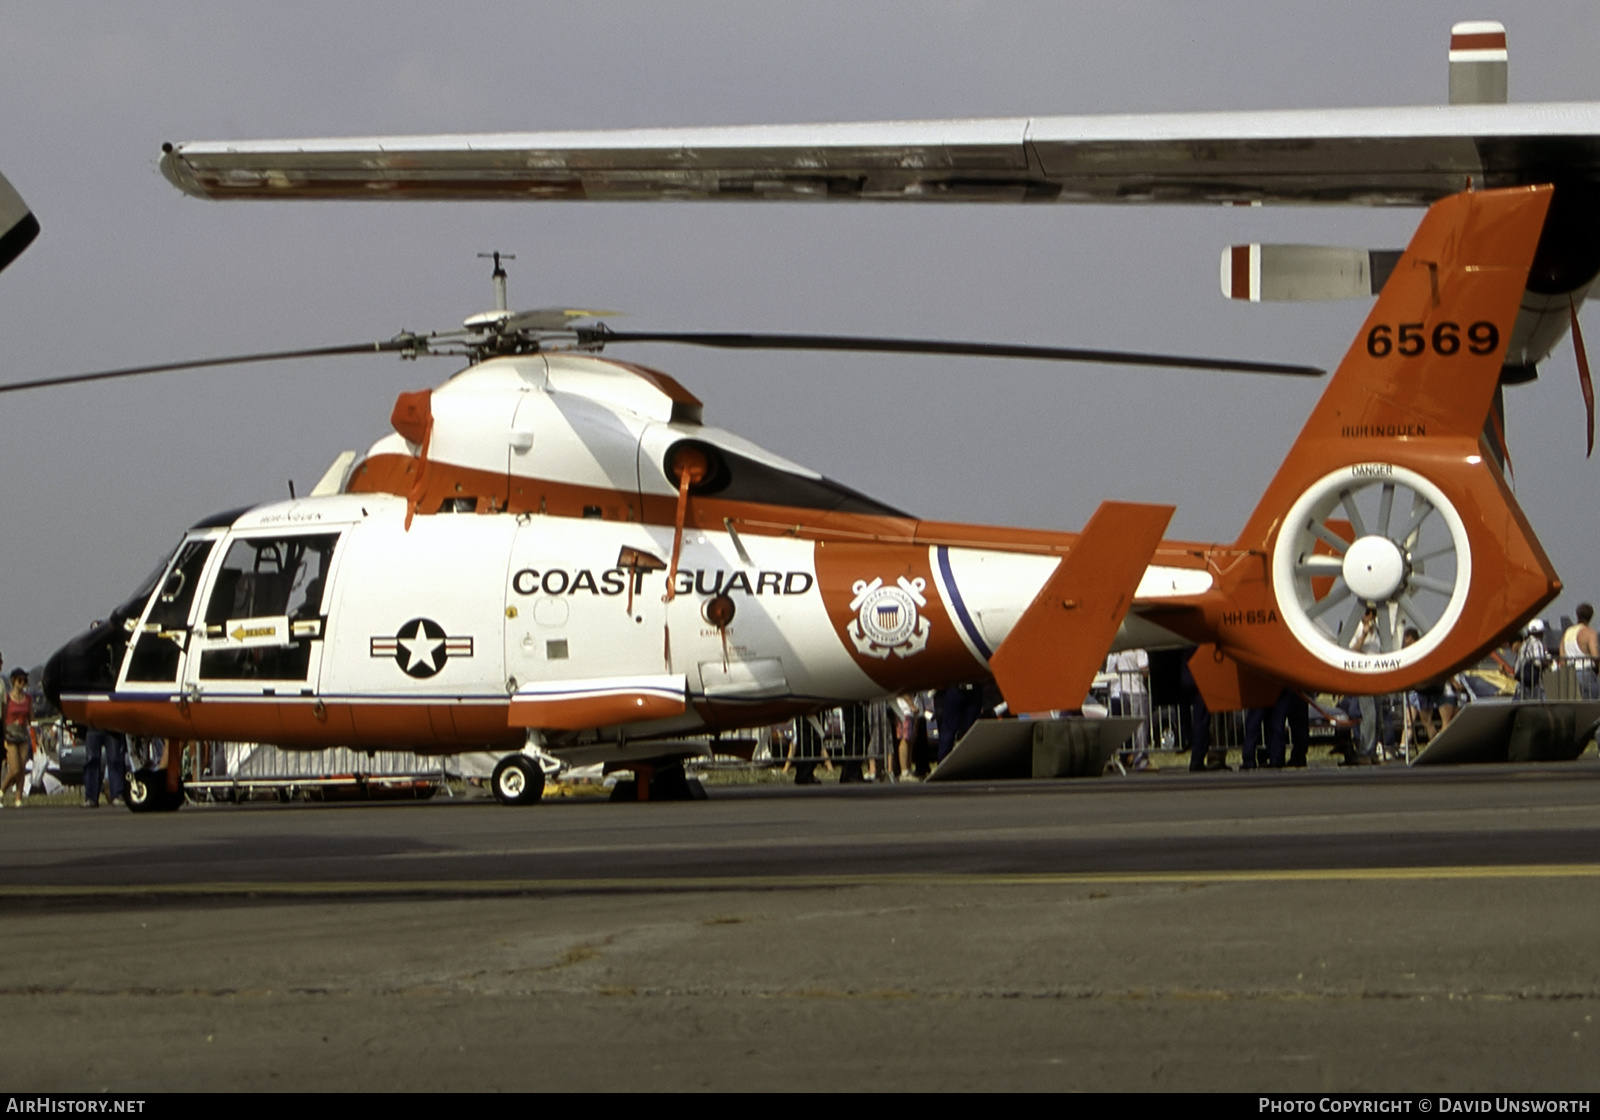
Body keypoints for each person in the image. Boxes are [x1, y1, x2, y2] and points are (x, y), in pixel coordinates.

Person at [1347, 606, 1383, 762]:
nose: (1371, 616)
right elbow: (1352, 649)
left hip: (1377, 675)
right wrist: (1363, 634)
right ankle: (1365, 751)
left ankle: (1373, 748)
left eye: (1373, 613)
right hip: (1364, 675)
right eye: (1368, 613)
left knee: (1378, 716)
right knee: (1369, 715)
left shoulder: (1379, 631)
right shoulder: (1357, 629)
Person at [2, 668, 33, 807]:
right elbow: (3, 717)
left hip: (23, 734)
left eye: (24, 680)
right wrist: (3, 734)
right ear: (13, 681)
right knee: (14, 768)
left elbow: (31, 718)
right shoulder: (7, 698)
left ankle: (18, 797)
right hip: (10, 734)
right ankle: (2, 790)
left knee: (22, 768)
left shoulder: (28, 699)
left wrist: (35, 734)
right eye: (20, 680)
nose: (22, 683)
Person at [83, 725, 129, 808]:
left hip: (112, 727)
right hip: (93, 727)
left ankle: (117, 795)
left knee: (115, 761)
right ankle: (90, 798)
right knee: (92, 761)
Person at [1561, 603, 1599, 699]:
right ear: (1591, 616)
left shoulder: (1567, 632)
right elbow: (1595, 655)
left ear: (1577, 615)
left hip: (1570, 675)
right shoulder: (1589, 633)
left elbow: (1562, 656)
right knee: (1591, 706)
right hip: (1585, 674)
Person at [1514, 619, 1552, 700]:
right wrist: (1547, 663)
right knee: (1539, 703)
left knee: (1519, 701)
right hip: (1532, 682)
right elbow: (1538, 662)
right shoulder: (1537, 643)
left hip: (1522, 680)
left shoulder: (1524, 644)